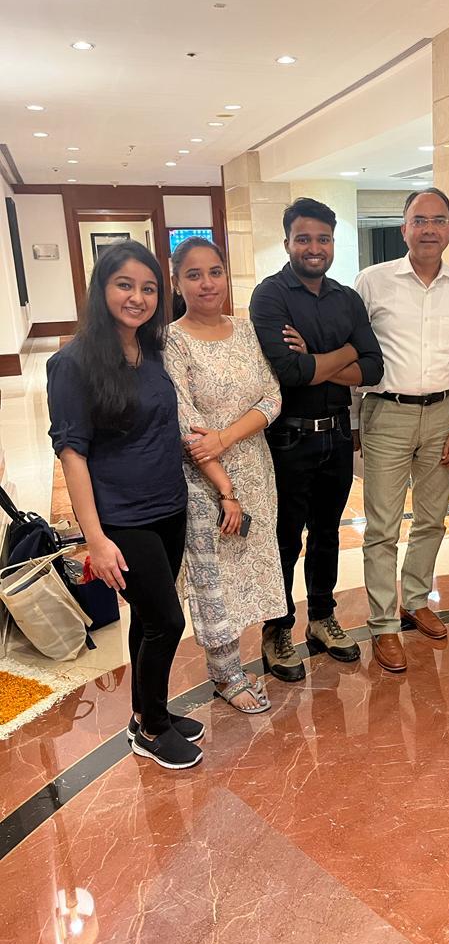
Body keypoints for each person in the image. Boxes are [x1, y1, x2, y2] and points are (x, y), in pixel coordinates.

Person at [47, 240, 203, 770]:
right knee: (167, 621)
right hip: (121, 517)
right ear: (102, 289)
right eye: (125, 285)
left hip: (168, 507)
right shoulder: (72, 363)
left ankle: (145, 711)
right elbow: (72, 454)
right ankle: (152, 730)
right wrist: (95, 538)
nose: (138, 297)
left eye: (149, 288)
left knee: (148, 618)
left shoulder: (152, 349)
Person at [250, 198, 384, 682]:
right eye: (303, 238)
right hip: (288, 439)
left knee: (327, 534)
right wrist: (345, 351)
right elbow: (290, 372)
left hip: (337, 437)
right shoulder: (270, 296)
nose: (314, 247)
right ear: (287, 242)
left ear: (333, 243)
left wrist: (317, 359)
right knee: (285, 538)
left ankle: (322, 618)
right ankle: (277, 629)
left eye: (323, 239)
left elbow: (374, 366)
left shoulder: (346, 298)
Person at [353, 188, 449, 673]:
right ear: (404, 228)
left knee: (431, 519)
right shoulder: (372, 282)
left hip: (444, 415)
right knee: (382, 527)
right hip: (387, 413)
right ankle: (384, 623)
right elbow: (356, 353)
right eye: (419, 220)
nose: (429, 229)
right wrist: (354, 423)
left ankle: (416, 599)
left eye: (438, 220)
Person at [164, 236, 285, 713]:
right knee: (214, 576)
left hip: (254, 467)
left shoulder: (246, 330)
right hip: (206, 481)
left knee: (249, 570)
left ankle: (237, 663)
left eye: (215, 272)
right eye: (194, 275)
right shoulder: (172, 340)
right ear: (177, 282)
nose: (207, 283)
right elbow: (186, 423)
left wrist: (227, 436)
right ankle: (226, 675)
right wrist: (224, 489)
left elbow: (272, 396)